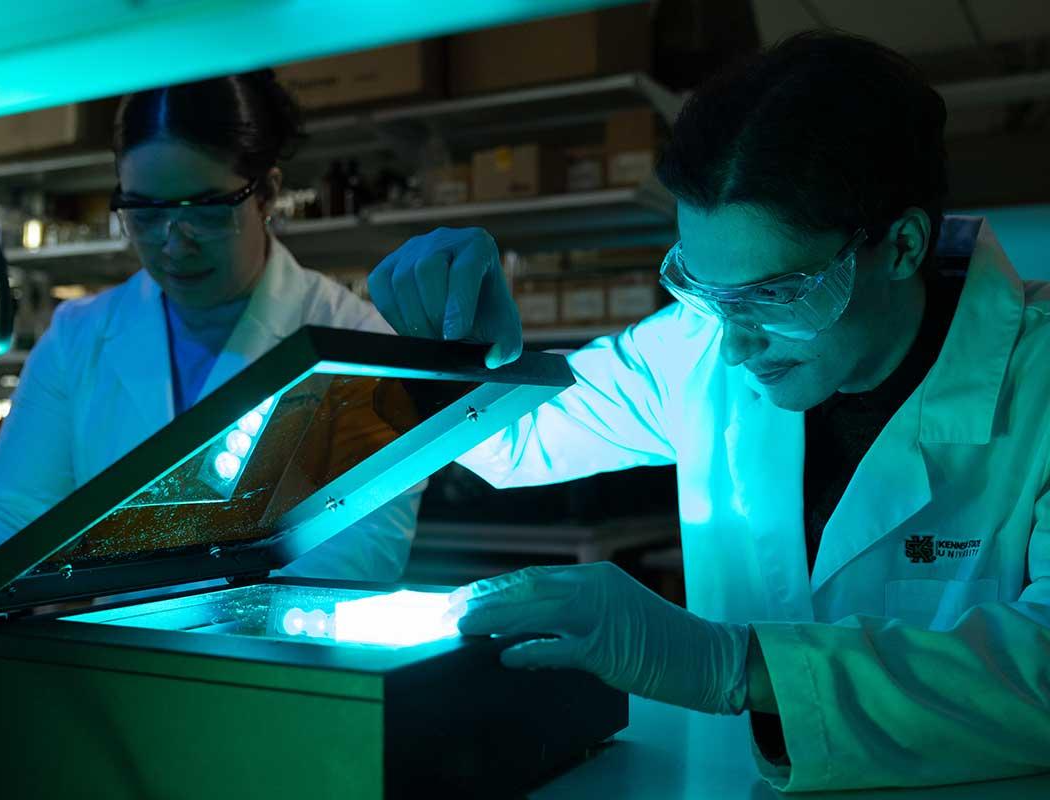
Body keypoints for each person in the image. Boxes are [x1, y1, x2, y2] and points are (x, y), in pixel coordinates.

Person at [369, 32, 1050, 793]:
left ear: (900, 246)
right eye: (706, 292)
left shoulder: (1041, 381)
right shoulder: (695, 351)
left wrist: (737, 665)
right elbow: (512, 445)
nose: (734, 348)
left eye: (776, 296)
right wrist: (469, 352)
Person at [0, 71, 421, 680]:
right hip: (118, 680)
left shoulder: (354, 339)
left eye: (204, 210)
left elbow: (361, 556)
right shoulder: (80, 337)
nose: (173, 245)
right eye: (143, 214)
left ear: (266, 193)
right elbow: (9, 510)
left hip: (284, 679)